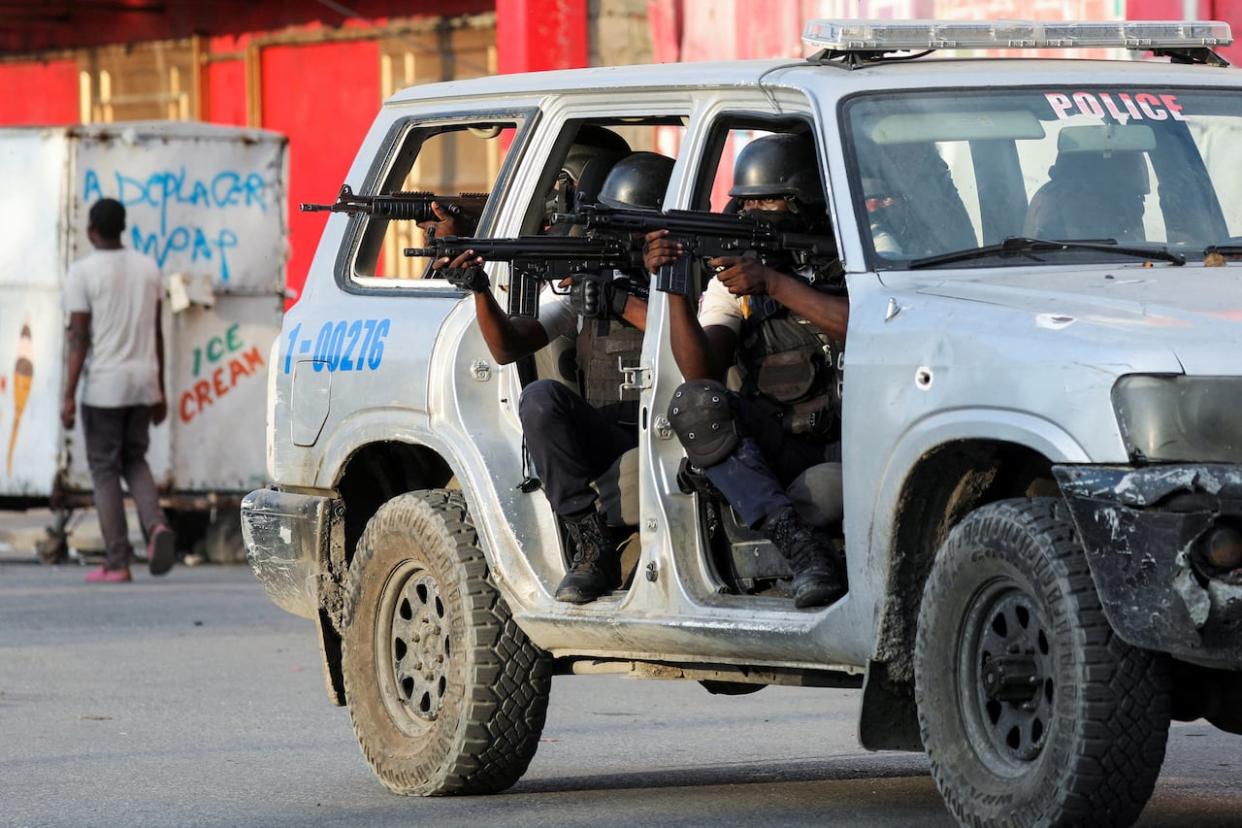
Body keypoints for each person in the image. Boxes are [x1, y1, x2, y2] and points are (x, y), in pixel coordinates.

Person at [436, 147, 676, 604]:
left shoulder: (699, 280)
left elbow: (696, 342)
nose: (625, 239)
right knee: (540, 399)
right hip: (614, 435)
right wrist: (480, 290)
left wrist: (627, 305)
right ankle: (590, 544)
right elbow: (508, 347)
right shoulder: (589, 291)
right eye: (614, 225)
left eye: (634, 226)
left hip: (681, 430)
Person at [644, 133, 849, 609]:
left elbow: (858, 325)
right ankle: (800, 547)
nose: (755, 209)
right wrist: (673, 287)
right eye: (748, 200)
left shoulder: (848, 257)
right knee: (696, 405)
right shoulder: (736, 282)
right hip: (781, 443)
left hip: (856, 441)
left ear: (807, 202)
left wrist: (776, 282)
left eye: (770, 199)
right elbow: (701, 370)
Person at [62, 198, 176, 583]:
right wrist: (160, 389)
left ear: (92, 231)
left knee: (104, 468)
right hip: (143, 381)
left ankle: (117, 560)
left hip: (105, 388)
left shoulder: (82, 272)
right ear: (122, 227)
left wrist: (67, 394)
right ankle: (156, 525)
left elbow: (79, 338)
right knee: (134, 459)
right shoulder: (149, 269)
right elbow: (157, 333)